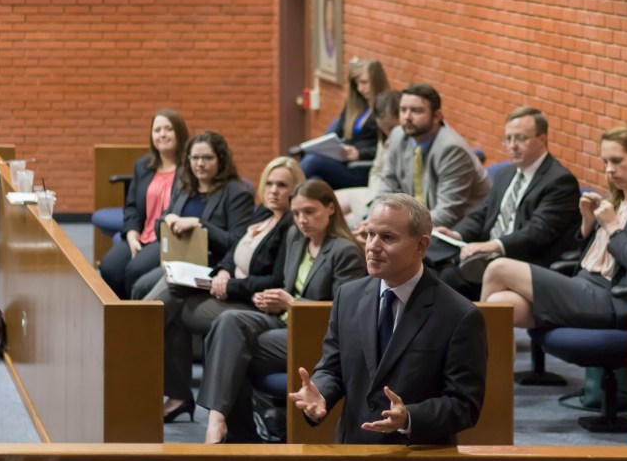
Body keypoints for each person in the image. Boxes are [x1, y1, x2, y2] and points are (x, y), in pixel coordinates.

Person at [289, 194, 487, 445]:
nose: (372, 246)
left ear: (421, 245)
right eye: (370, 234)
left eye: (388, 237)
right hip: (353, 453)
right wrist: (322, 394)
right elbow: (333, 368)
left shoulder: (459, 315)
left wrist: (409, 418)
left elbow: (464, 405)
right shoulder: (348, 297)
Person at [198, 180, 367, 443]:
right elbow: (286, 288)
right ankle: (217, 421)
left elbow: (346, 312)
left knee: (231, 348)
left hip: (318, 335)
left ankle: (237, 435)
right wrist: (270, 299)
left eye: (309, 211)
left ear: (330, 208)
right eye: (297, 213)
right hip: (284, 323)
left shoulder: (344, 251)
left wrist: (292, 303)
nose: (302, 220)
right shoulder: (296, 238)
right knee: (228, 322)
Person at [480, 124, 627, 331]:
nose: (609, 169)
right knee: (499, 303)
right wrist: (588, 223)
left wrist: (612, 228)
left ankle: (468, 357)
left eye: (617, 161)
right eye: (605, 162)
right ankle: (490, 362)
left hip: (613, 298)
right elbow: (589, 257)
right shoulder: (614, 198)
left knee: (498, 267)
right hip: (583, 285)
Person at [161, 156, 305, 422]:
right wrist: (225, 269)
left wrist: (230, 285)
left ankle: (181, 394)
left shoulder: (291, 227)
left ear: (295, 189)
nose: (274, 191)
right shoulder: (263, 212)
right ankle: (178, 393)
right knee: (173, 293)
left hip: (250, 302)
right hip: (231, 288)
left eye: (282, 185)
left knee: (175, 311)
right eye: (270, 184)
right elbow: (234, 248)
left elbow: (275, 279)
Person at [433, 107, 581, 300]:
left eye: (520, 138)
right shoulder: (506, 174)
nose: (512, 145)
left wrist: (493, 246)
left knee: (446, 277)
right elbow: (482, 214)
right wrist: (456, 233)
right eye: (508, 139)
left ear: (542, 140)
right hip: (485, 257)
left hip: (522, 262)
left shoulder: (559, 181)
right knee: (431, 260)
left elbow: (537, 232)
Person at [130, 132, 255, 299]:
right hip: (178, 261)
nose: (200, 164)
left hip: (211, 268)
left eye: (207, 158)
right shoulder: (185, 187)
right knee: (139, 287)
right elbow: (160, 228)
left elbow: (238, 243)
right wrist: (167, 219)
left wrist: (199, 225)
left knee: (160, 293)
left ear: (221, 160)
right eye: (195, 158)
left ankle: (136, 325)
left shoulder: (237, 193)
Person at [99, 109, 189, 299]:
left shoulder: (189, 169)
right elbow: (131, 206)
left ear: (179, 133)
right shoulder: (143, 165)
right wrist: (132, 233)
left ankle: (137, 319)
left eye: (168, 129)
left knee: (135, 270)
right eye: (157, 130)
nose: (162, 134)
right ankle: (122, 311)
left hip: (166, 236)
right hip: (141, 233)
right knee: (109, 267)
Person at [377, 83, 490, 228]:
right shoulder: (398, 135)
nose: (407, 117)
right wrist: (376, 220)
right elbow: (387, 186)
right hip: (414, 221)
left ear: (437, 116)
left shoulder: (451, 149)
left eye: (416, 111)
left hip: (457, 230)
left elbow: (447, 213)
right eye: (403, 110)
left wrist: (399, 229)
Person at [299, 59, 390, 189]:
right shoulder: (355, 107)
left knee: (312, 161)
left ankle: (289, 199)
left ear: (376, 81)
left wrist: (360, 153)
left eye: (364, 83)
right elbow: (337, 133)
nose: (360, 89)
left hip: (361, 168)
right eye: (356, 84)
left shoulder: (385, 110)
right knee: (315, 181)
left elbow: (387, 147)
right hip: (342, 161)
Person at [335, 89, 401, 226]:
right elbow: (377, 169)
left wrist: (374, 205)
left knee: (347, 223)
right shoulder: (384, 138)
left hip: (391, 200)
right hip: (373, 192)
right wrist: (373, 196)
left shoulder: (405, 143)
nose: (389, 134)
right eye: (384, 129)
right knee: (323, 204)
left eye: (392, 128)